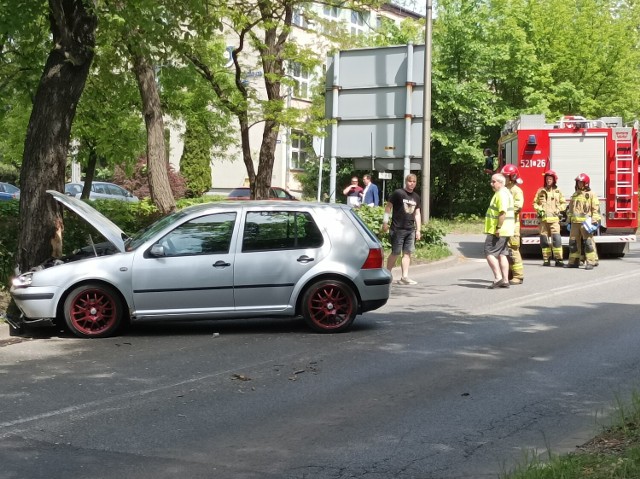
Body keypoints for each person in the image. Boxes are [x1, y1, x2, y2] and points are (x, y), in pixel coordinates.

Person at [381, 173, 422, 285]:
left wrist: (418, 230)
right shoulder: (398, 193)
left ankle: (404, 277)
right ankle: (387, 275)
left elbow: (417, 213)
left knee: (407, 253)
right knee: (396, 252)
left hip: (410, 229)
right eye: (410, 181)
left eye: (414, 182)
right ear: (406, 181)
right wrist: (385, 222)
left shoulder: (416, 197)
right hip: (397, 228)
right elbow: (388, 207)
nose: (411, 184)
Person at [484, 173, 515, 288]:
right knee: (502, 254)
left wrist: (498, 228)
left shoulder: (501, 194)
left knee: (489, 252)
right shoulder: (506, 192)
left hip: (499, 230)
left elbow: (502, 212)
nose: (491, 184)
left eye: (494, 181)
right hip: (506, 230)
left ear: (501, 183)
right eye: (491, 181)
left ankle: (498, 278)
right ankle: (505, 280)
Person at [567, 173, 601, 269]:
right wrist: (569, 221)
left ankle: (591, 261)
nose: (579, 184)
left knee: (588, 243)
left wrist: (594, 220)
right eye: (578, 182)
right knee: (573, 242)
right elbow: (570, 209)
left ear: (586, 183)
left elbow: (595, 208)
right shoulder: (575, 194)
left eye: (581, 182)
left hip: (586, 223)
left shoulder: (591, 194)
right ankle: (574, 261)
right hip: (575, 223)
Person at [533, 169, 567, 266]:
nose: (548, 180)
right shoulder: (540, 191)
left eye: (550, 179)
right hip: (543, 221)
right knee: (544, 240)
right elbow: (535, 203)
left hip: (554, 220)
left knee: (556, 240)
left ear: (554, 180)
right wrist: (539, 209)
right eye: (547, 179)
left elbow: (563, 203)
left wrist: (558, 209)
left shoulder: (558, 191)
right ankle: (546, 259)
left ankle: (558, 259)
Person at [501, 164, 525, 285]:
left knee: (513, 250)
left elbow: (518, 206)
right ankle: (509, 274)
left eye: (506, 176)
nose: (503, 179)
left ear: (512, 177)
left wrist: (505, 212)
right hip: (505, 226)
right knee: (505, 250)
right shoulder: (504, 190)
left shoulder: (516, 190)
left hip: (513, 225)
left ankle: (518, 276)